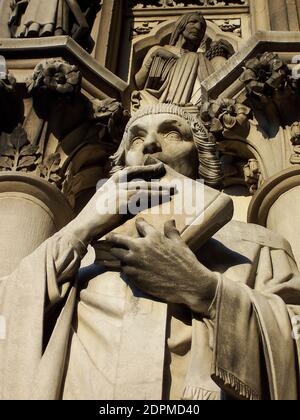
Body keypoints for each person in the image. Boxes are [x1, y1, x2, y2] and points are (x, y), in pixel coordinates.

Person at [1, 104, 300, 400]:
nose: (151, 145)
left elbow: (294, 340)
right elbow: (8, 320)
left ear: (202, 157)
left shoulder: (257, 245)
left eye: (172, 134)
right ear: (121, 164)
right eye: (136, 139)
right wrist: (82, 228)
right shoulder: (77, 257)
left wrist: (206, 291)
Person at [134, 12, 214, 108]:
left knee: (195, 57)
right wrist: (151, 59)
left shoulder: (201, 58)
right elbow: (138, 84)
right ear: (181, 26)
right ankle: (176, 104)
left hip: (194, 103)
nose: (198, 27)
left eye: (201, 27)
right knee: (192, 57)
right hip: (161, 100)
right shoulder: (159, 50)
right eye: (193, 22)